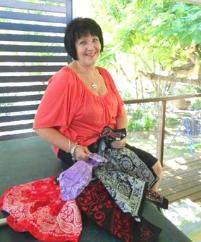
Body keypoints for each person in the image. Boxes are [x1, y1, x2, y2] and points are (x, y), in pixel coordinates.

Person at [0, 17, 191, 242]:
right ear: (73, 47)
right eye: (83, 42)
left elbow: (120, 111)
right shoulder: (64, 81)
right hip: (80, 149)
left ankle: (148, 205)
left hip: (108, 144)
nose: (91, 47)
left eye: (94, 40)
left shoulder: (104, 74)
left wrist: (122, 134)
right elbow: (41, 126)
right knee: (119, 191)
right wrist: (73, 148)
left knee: (155, 167)